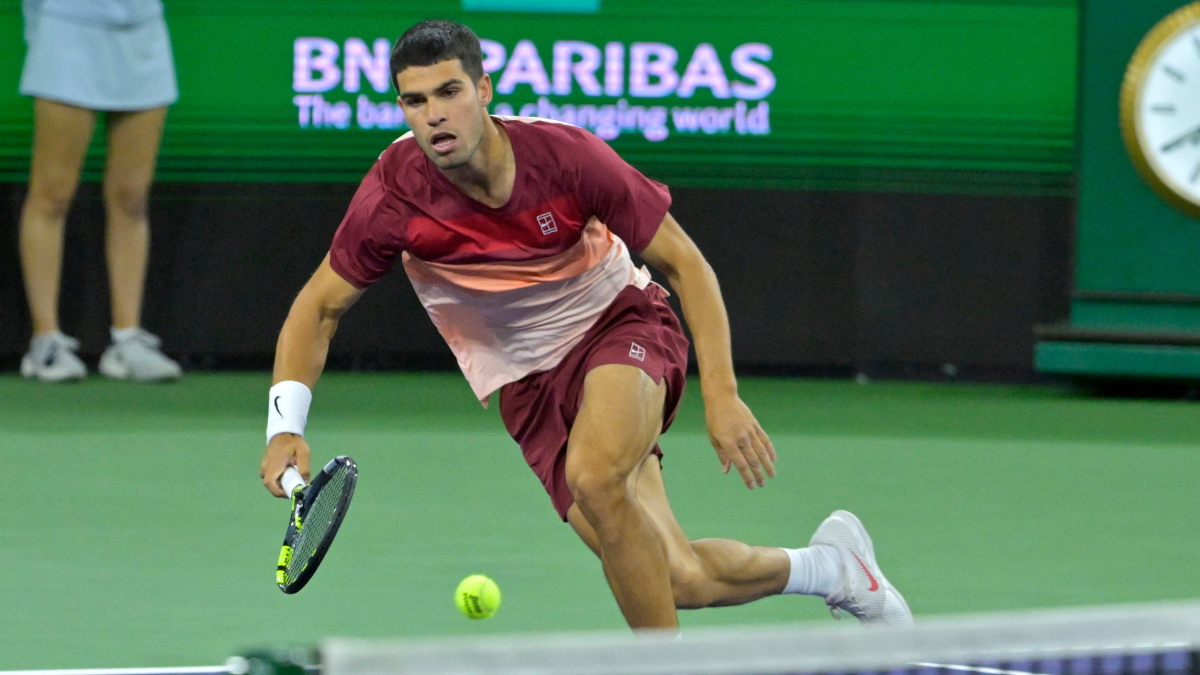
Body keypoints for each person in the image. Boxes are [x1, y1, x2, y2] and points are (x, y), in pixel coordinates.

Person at [259, 19, 912, 629]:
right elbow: (318, 307)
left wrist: (722, 394)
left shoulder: (567, 158)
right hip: (525, 384)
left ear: (483, 89)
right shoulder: (393, 196)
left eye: (449, 92)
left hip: (620, 325)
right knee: (672, 576)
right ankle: (835, 568)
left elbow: (686, 265)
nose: (434, 115)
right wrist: (284, 425)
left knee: (595, 476)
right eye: (414, 100)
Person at [17, 0, 182, 382]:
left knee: (132, 197)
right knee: (52, 194)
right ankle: (45, 342)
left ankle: (127, 340)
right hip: (66, 28)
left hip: (144, 31)